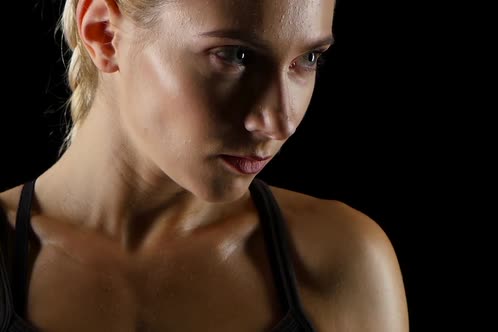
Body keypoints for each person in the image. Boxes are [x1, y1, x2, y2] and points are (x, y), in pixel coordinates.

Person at [0, 0, 408, 330]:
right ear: (105, 34)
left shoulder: (342, 264)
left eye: (309, 59)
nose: (280, 121)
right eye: (237, 55)